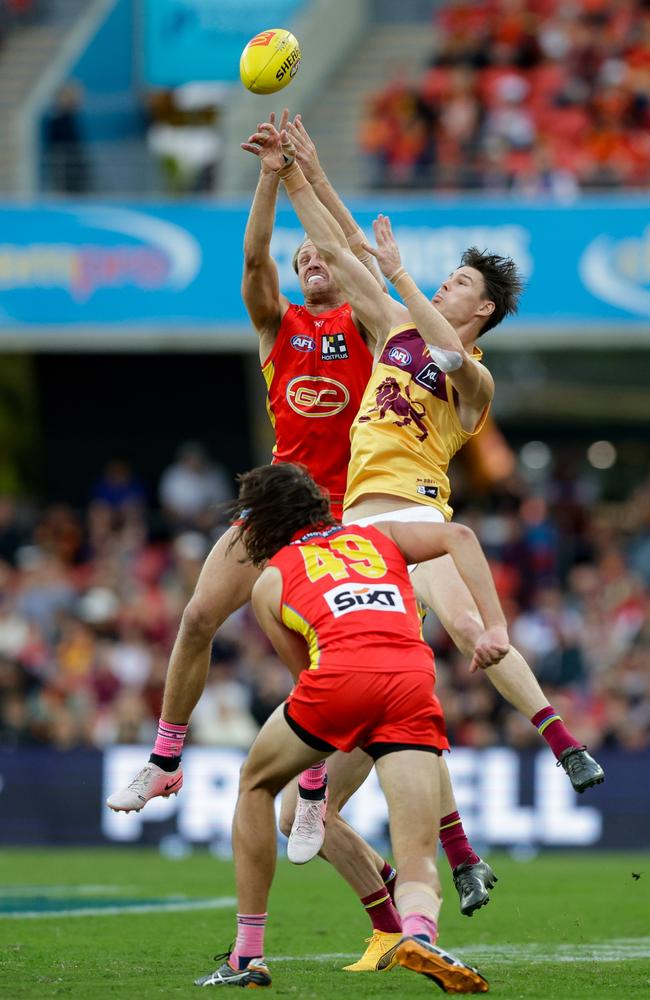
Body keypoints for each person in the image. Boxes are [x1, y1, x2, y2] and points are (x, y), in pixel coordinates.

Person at [245, 116, 603, 915]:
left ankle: (561, 740)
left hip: (414, 515)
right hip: (360, 528)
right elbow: (336, 248)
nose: (445, 287)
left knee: (476, 631)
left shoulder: (474, 379)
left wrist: (404, 279)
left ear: (481, 313)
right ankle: (442, 843)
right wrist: (298, 167)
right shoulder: (393, 324)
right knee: (387, 681)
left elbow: (443, 352)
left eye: (460, 287)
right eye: (445, 282)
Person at [194, 461, 498, 993]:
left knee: (256, 783)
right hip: (411, 680)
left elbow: (306, 677)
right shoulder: (377, 534)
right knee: (417, 855)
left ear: (266, 522)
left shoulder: (272, 579)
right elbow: (461, 535)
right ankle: (419, 934)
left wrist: (317, 769)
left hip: (338, 681)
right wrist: (495, 627)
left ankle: (247, 956)